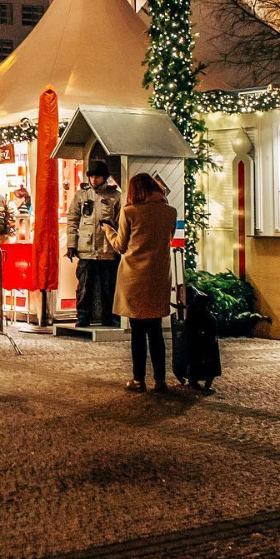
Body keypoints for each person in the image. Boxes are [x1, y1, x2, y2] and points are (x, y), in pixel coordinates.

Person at [104, 173, 179, 392]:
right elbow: (168, 238)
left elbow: (120, 245)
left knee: (137, 331)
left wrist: (108, 230)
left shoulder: (130, 212)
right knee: (155, 329)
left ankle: (138, 380)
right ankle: (160, 380)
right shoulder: (169, 212)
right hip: (158, 277)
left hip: (134, 277)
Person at [66, 161, 122, 328]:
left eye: (97, 176)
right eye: (91, 176)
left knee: (109, 287)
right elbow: (72, 220)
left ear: (104, 177)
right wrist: (71, 245)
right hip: (86, 248)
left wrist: (119, 246)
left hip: (108, 249)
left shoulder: (115, 196)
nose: (94, 179)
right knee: (84, 287)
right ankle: (83, 317)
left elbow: (120, 223)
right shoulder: (81, 195)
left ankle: (110, 317)